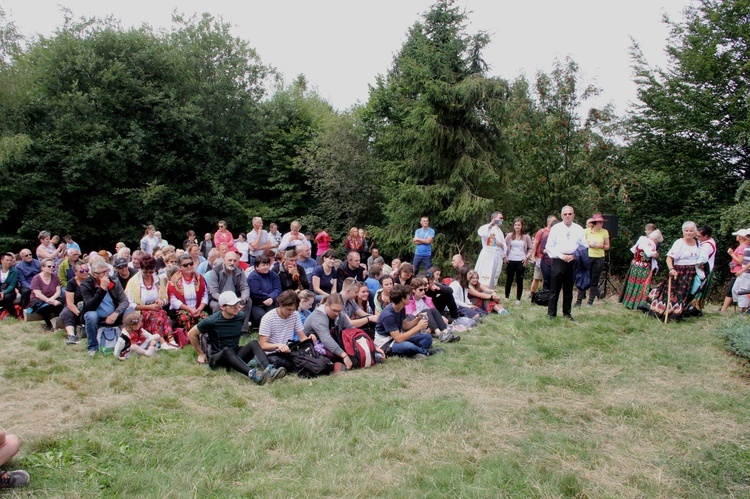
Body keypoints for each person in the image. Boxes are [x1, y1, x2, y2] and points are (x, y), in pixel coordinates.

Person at [189, 291, 286, 384]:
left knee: (254, 342)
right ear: (222, 307)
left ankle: (270, 370)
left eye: (237, 303)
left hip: (235, 355)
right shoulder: (212, 320)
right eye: (232, 305)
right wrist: (200, 353)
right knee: (227, 350)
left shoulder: (241, 316)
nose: (236, 307)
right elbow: (191, 334)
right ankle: (252, 374)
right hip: (218, 359)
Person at [645, 221, 702, 320]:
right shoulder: (679, 242)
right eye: (686, 230)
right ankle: (662, 312)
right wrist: (671, 269)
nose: (688, 233)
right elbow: (669, 258)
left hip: (691, 272)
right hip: (678, 271)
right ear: (683, 232)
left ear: (695, 232)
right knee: (673, 293)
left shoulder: (698, 243)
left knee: (683, 294)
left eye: (691, 231)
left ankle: (676, 314)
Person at [374, 284, 442, 358]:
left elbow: (405, 326)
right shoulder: (388, 315)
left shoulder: (401, 308)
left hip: (397, 339)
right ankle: (425, 352)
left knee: (427, 337)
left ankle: (413, 352)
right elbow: (399, 338)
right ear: (403, 299)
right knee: (408, 346)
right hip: (386, 343)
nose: (410, 298)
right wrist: (418, 328)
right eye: (408, 296)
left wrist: (417, 319)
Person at [545, 206, 586, 321]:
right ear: (562, 215)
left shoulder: (578, 229)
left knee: (568, 290)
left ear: (573, 215)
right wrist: (562, 256)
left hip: (573, 261)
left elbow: (584, 246)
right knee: (554, 289)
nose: (567, 216)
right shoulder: (556, 228)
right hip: (559, 260)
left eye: (570, 214)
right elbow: (549, 246)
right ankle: (551, 314)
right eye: (565, 214)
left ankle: (567, 314)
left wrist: (574, 256)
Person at [81, 258, 130, 354]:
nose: (106, 274)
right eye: (103, 272)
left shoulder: (114, 281)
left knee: (130, 312)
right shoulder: (86, 285)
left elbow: (124, 301)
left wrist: (116, 313)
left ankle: (129, 343)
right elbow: (90, 306)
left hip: (113, 314)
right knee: (91, 316)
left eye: (107, 271)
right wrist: (102, 289)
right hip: (96, 315)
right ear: (94, 274)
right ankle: (92, 347)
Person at [258, 290, 314, 373]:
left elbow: (302, 336)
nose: (291, 312)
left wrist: (309, 342)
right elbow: (262, 345)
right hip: (272, 353)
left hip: (288, 351)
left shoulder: (295, 315)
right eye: (289, 309)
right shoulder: (268, 318)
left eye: (293, 310)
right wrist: (278, 345)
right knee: (275, 361)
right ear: (280, 305)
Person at [125, 254, 175, 345]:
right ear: (141, 269)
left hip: (156, 308)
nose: (148, 274)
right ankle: (162, 342)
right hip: (140, 311)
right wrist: (149, 307)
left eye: (151, 272)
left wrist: (161, 301)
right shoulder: (133, 282)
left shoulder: (157, 280)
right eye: (145, 272)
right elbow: (130, 304)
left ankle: (171, 340)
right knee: (155, 316)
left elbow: (166, 299)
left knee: (162, 313)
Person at [208, 251, 251, 333]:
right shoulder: (215, 271)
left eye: (235, 261)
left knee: (248, 301)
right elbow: (213, 292)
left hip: (235, 299)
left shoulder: (240, 271)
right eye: (230, 260)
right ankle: (219, 329)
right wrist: (226, 301)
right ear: (224, 260)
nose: (232, 263)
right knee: (216, 306)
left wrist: (242, 300)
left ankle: (243, 329)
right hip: (218, 299)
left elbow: (244, 287)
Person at [620, 229, 663, 310]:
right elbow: (651, 254)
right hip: (643, 267)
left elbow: (633, 250)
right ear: (655, 239)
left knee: (634, 284)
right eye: (657, 242)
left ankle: (630, 302)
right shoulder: (648, 243)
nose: (657, 244)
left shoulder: (642, 240)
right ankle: (639, 304)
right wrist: (657, 254)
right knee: (643, 285)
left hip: (636, 264)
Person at [405, 277, 458, 342]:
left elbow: (433, 311)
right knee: (426, 311)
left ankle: (446, 332)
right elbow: (409, 316)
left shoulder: (426, 299)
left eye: (425, 289)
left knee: (433, 310)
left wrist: (431, 325)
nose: (423, 292)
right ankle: (439, 334)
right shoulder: (409, 301)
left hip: (429, 322)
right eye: (421, 290)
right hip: (416, 322)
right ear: (414, 290)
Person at [167, 253, 209, 332]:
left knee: (205, 318)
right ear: (180, 267)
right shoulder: (174, 280)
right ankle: (190, 337)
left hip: (197, 309)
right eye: (186, 265)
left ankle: (203, 337)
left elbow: (205, 295)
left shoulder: (200, 278)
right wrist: (190, 310)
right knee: (186, 317)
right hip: (181, 310)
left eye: (191, 264)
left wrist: (199, 309)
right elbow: (173, 301)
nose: (189, 266)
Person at [576, 213, 610, 307]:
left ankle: (590, 301)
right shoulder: (586, 231)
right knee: (584, 277)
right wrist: (588, 244)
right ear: (594, 223)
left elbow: (607, 246)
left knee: (595, 279)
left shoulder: (604, 232)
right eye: (599, 222)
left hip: (599, 257)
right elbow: (580, 243)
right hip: (587, 256)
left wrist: (601, 246)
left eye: (602, 222)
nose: (601, 224)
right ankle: (579, 300)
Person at [28, 257, 64, 330]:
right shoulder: (36, 279)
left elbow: (58, 291)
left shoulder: (55, 277)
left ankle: (56, 323)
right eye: (49, 266)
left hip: (52, 297)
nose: (51, 268)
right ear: (42, 267)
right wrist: (49, 300)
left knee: (60, 303)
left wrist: (52, 299)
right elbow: (38, 294)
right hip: (39, 299)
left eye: (53, 266)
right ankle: (48, 324)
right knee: (45, 307)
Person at [503, 217, 533, 304]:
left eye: (519, 225)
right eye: (515, 225)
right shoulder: (509, 235)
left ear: (522, 226)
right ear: (513, 226)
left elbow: (530, 248)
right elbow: (504, 247)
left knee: (519, 280)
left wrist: (527, 257)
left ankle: (518, 299)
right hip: (510, 260)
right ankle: (506, 297)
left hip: (521, 260)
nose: (517, 227)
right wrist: (505, 257)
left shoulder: (526, 236)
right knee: (509, 279)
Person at [59, 259, 89, 344]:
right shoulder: (71, 283)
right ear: (75, 272)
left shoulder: (91, 280)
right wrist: (79, 314)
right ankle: (71, 335)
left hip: (88, 305)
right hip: (74, 306)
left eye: (87, 270)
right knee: (67, 313)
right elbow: (70, 303)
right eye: (82, 271)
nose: (85, 272)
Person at [247, 254, 282, 327]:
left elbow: (278, 289)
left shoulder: (273, 275)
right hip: (256, 303)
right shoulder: (252, 277)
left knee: (275, 315)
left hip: (271, 301)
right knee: (262, 317)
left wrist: (272, 298)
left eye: (267, 265)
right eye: (263, 265)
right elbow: (256, 292)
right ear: (257, 267)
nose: (266, 267)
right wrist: (269, 298)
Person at [475, 212, 506, 289]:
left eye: (502, 218)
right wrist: (490, 225)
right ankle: (480, 291)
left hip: (497, 256)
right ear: (494, 219)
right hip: (488, 255)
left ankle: (490, 292)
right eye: (500, 218)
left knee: (494, 275)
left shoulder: (500, 231)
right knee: (485, 274)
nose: (502, 220)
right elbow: (483, 235)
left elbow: (503, 245)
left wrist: (501, 245)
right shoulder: (487, 227)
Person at [530, 215, 557, 297]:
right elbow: (535, 244)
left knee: (547, 278)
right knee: (537, 277)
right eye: (554, 221)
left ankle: (545, 294)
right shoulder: (541, 232)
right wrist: (533, 256)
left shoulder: (556, 232)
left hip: (551, 259)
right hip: (540, 257)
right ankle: (532, 294)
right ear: (549, 222)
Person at [721, 229, 748, 313]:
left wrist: (731, 253)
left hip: (740, 272)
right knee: (734, 290)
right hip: (738, 271)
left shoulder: (742, 247)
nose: (736, 237)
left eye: (737, 235)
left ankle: (724, 309)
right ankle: (725, 309)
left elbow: (741, 261)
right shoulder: (744, 246)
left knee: (733, 290)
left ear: (741, 237)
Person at [693, 226, 717, 309]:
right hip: (706, 270)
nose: (697, 238)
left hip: (703, 271)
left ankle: (693, 308)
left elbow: (702, 258)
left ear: (706, 236)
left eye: (699, 236)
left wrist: (698, 264)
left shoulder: (706, 246)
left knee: (696, 289)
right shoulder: (709, 241)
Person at [0, 253, 18, 319]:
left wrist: (3, 293)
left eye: (10, 260)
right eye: (7, 260)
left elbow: (12, 285)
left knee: (7, 297)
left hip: (9, 291)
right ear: (1, 261)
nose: (9, 262)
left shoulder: (14, 271)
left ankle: (13, 314)